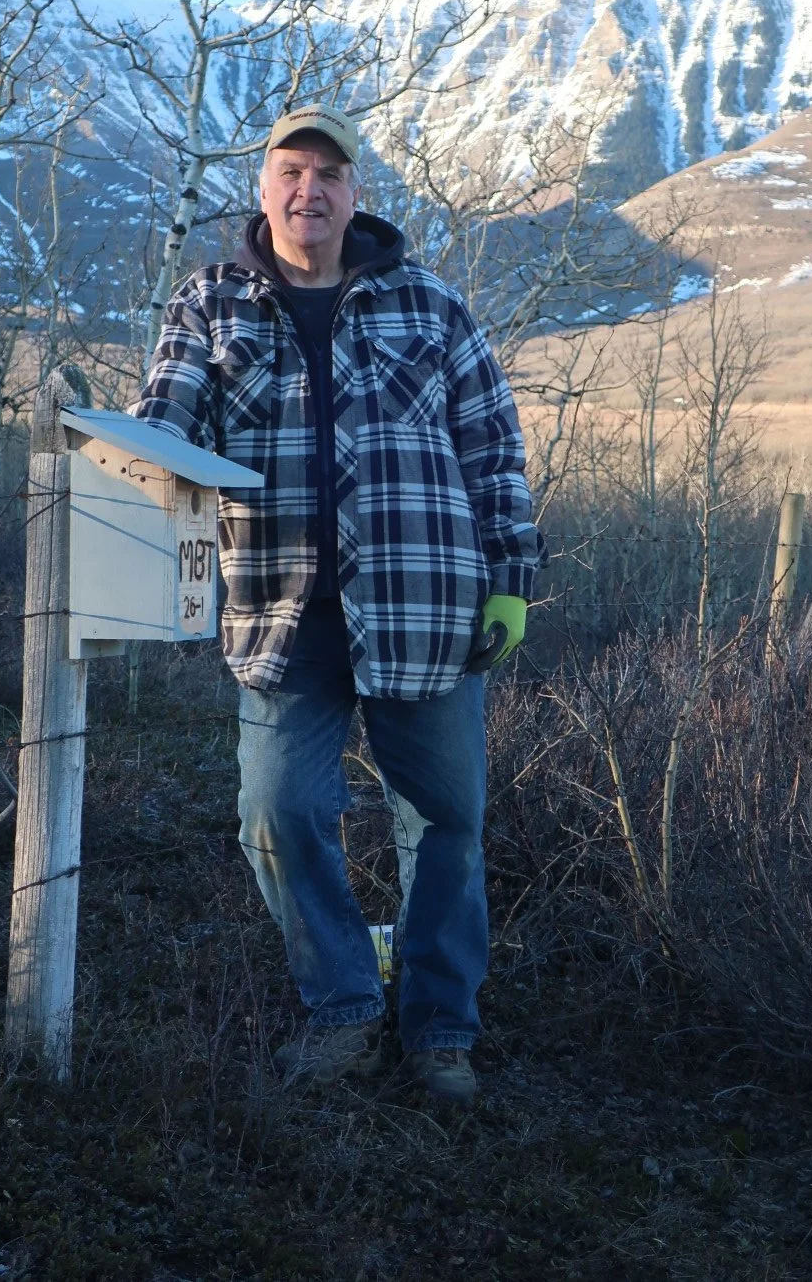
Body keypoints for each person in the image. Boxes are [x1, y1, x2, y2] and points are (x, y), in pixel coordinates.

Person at [135, 103, 545, 1102]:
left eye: (328, 174)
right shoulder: (210, 304)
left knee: (446, 821)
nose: (308, 190)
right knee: (277, 812)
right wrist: (130, 464)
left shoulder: (430, 306)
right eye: (290, 172)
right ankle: (345, 1013)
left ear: (356, 193)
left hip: (426, 610)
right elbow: (163, 428)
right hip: (280, 615)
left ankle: (442, 1030)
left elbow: (494, 449)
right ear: (264, 188)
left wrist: (512, 580)